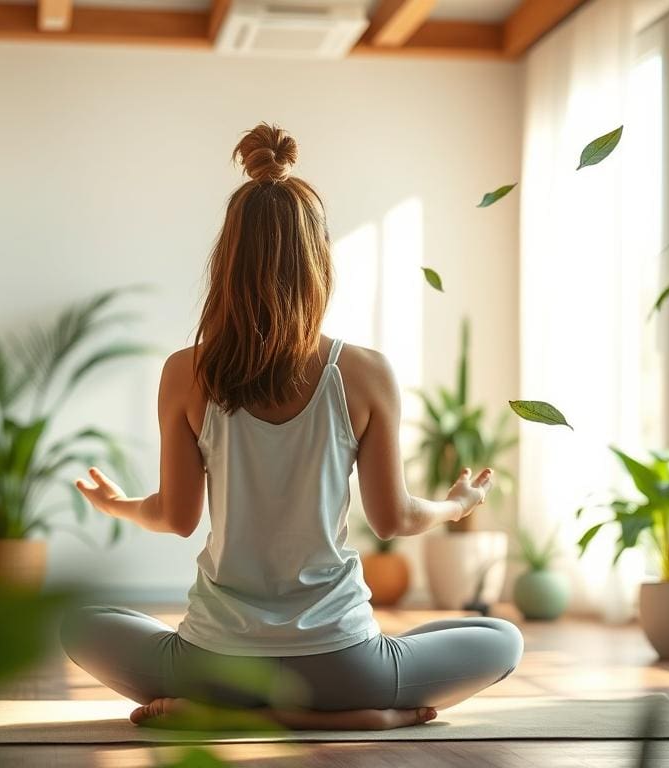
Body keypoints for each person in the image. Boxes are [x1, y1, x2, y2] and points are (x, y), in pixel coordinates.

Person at [63, 123, 523, 731]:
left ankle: (225, 714)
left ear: (226, 261)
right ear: (318, 260)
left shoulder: (185, 372)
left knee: (76, 624)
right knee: (500, 638)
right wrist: (456, 506)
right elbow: (394, 520)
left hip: (213, 665)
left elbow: (177, 519)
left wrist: (118, 505)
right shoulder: (365, 373)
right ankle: (357, 717)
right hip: (344, 667)